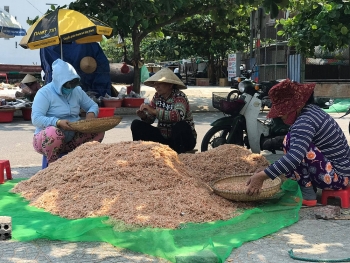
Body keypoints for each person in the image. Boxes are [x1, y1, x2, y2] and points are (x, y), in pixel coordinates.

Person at [246, 79, 350, 206]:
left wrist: (261, 176)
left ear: (297, 105)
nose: (280, 116)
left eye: (283, 111)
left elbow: (294, 158)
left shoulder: (304, 121)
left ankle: (308, 195)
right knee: (294, 143)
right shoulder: (311, 111)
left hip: (337, 178)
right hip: (342, 173)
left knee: (290, 143)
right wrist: (269, 170)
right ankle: (309, 189)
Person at [31, 59, 105, 165]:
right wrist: (58, 122)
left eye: (73, 83)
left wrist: (91, 113)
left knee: (98, 130)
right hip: (47, 140)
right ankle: (52, 167)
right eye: (67, 84)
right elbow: (36, 119)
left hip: (72, 138)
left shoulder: (77, 91)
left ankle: (83, 163)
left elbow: (92, 105)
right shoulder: (44, 93)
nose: (71, 87)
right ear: (58, 82)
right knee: (53, 134)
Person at [131, 67, 197, 154]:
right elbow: (151, 119)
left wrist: (154, 111)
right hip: (164, 138)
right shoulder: (157, 97)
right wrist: (144, 116)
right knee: (136, 124)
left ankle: (179, 156)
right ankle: (141, 154)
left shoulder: (179, 96)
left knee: (180, 126)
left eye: (160, 84)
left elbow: (177, 116)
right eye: (155, 84)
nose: (156, 86)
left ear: (170, 85)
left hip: (183, 139)